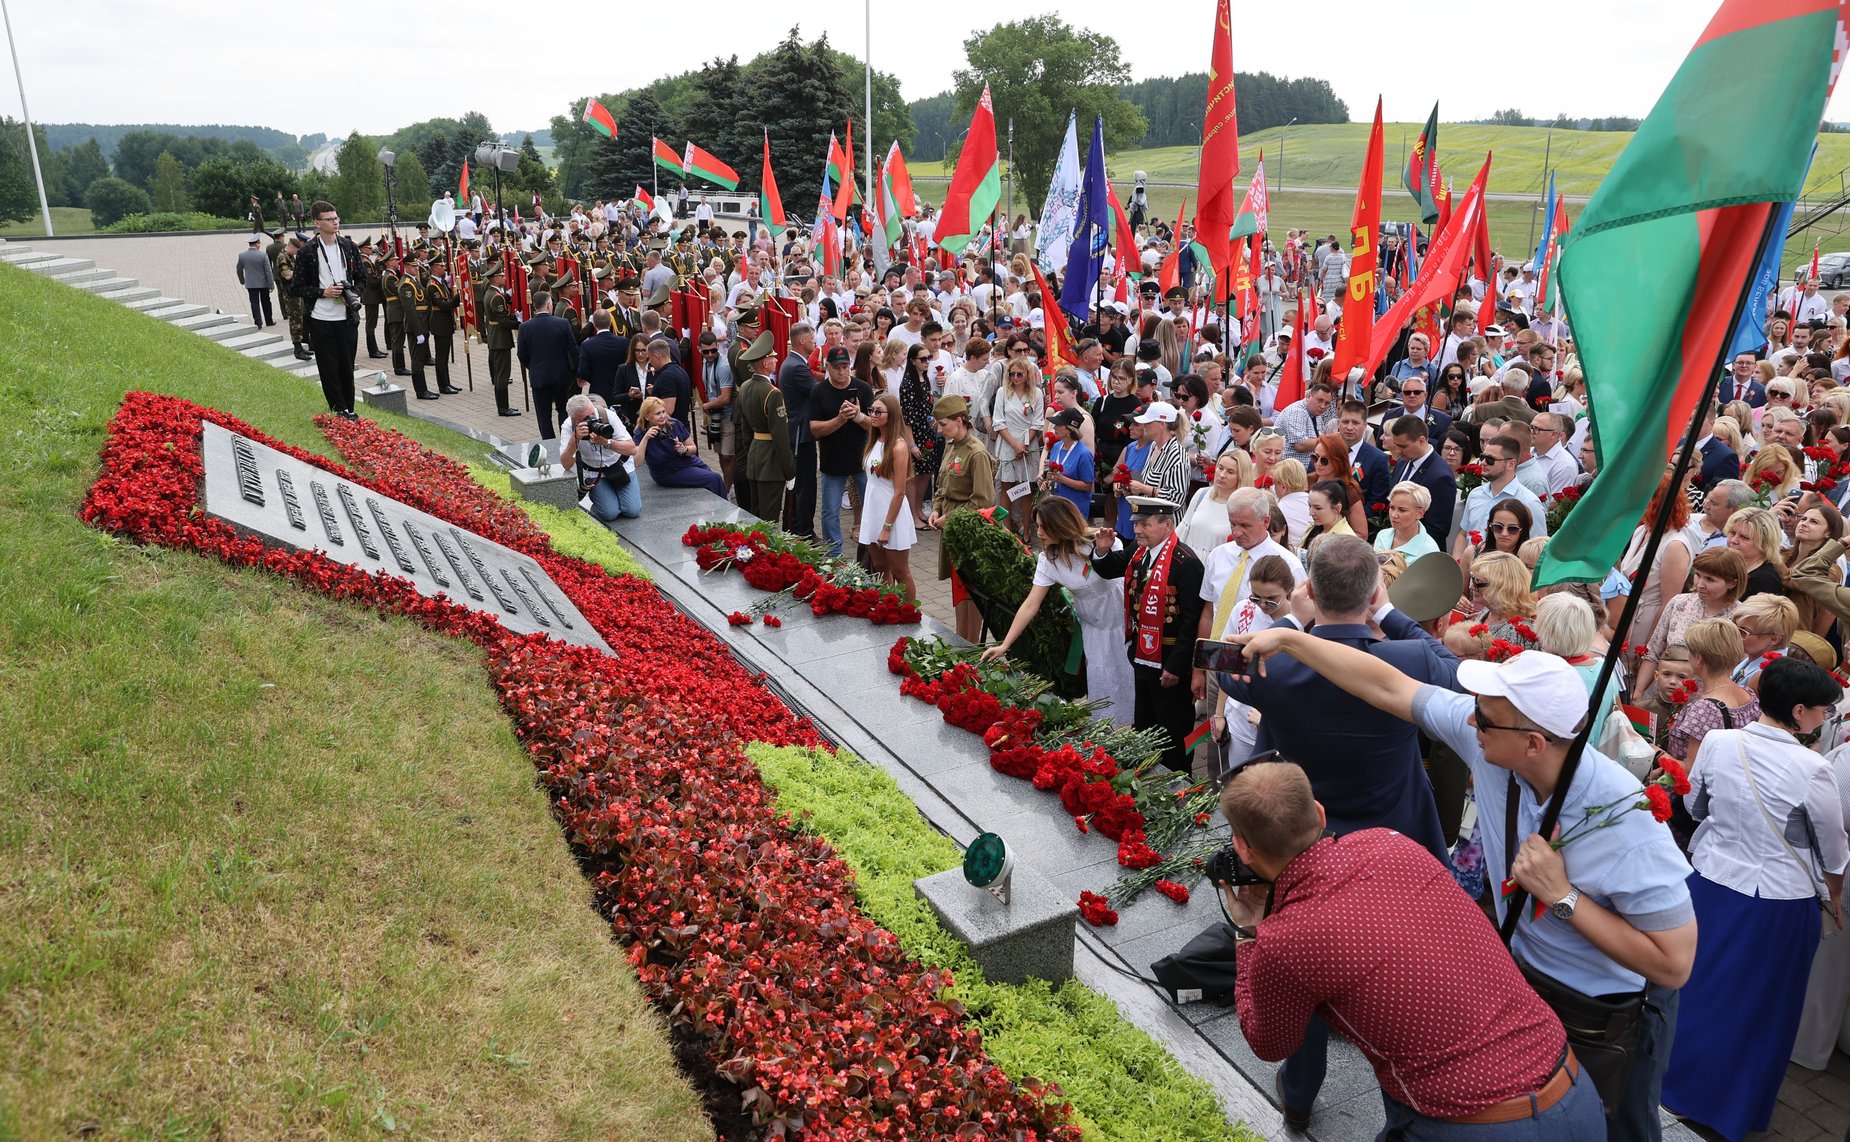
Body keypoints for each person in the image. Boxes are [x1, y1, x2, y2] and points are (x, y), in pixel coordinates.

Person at [1217, 762, 1605, 1139]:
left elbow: (1270, 1044)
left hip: (1469, 1124)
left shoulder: (1284, 941)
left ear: (1242, 849)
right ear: (1319, 813)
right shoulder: (1390, 843)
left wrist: (1249, 934)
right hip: (1573, 1088)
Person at [1664, 658, 1848, 1141]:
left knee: (1696, 991)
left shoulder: (1721, 743)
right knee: (1760, 1010)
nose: (1826, 718)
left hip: (1710, 881)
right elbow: (1832, 848)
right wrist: (1836, 892)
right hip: (1778, 902)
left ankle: (1669, 1082)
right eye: (1824, 711)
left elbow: (1693, 804)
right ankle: (1728, 1109)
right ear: (1800, 710)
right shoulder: (1814, 768)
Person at [981, 498, 1135, 724]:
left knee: (1130, 677)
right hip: (1094, 628)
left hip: (1124, 622)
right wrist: (1005, 645)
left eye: (1044, 527)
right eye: (1037, 526)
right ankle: (1109, 736)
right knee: (1103, 682)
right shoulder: (1049, 560)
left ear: (1061, 525)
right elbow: (1030, 605)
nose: (1039, 533)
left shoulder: (1101, 541)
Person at [1091, 497, 1205, 772]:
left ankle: (1178, 779)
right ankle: (1144, 774)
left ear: (1167, 524)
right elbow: (1108, 569)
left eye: (1145, 524)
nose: (1138, 530)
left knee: (1173, 729)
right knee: (1144, 723)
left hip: (1169, 660)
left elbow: (1192, 621)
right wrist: (1102, 551)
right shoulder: (1138, 551)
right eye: (1136, 524)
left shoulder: (1185, 562)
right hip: (1142, 654)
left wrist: (1177, 666)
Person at [929, 394, 999, 642]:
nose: (940, 429)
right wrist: (936, 508)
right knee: (958, 590)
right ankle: (961, 640)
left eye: (943, 424)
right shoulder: (951, 447)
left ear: (960, 421)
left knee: (970, 591)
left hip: (969, 532)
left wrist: (949, 517)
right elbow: (942, 485)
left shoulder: (976, 452)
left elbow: (983, 500)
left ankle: (969, 646)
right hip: (952, 527)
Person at [290, 201, 366, 421]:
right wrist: (323, 292)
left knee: (346, 365)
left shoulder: (348, 247)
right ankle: (339, 409)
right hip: (321, 318)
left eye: (336, 218)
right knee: (329, 367)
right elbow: (295, 287)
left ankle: (349, 409)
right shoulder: (308, 251)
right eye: (329, 219)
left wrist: (353, 294)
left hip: (347, 317)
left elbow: (362, 278)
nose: (335, 222)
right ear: (317, 223)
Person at [809, 345, 878, 557]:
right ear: (827, 367)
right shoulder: (819, 391)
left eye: (845, 366)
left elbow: (876, 425)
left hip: (863, 460)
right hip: (833, 462)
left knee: (873, 505)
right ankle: (834, 554)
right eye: (837, 367)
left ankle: (873, 549)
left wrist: (858, 416)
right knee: (830, 511)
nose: (841, 371)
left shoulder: (863, 389)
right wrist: (840, 420)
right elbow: (814, 430)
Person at [858, 392, 917, 599]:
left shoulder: (898, 446)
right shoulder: (874, 440)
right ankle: (888, 605)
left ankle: (910, 613)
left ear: (891, 415)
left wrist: (887, 527)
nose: (873, 415)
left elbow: (899, 492)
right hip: (873, 510)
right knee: (880, 565)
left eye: (878, 411)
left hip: (892, 515)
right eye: (871, 410)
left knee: (901, 572)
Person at [1454, 434, 1549, 562]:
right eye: (1482, 457)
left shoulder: (1529, 502)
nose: (1483, 463)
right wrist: (1459, 564)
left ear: (1511, 464)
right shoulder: (1475, 494)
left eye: (1490, 459)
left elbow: (1537, 551)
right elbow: (1463, 533)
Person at [733, 332, 795, 523]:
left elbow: (745, 430)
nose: (776, 360)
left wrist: (749, 456)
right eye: (772, 357)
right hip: (771, 463)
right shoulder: (772, 393)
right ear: (765, 363)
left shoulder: (745, 387)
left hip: (755, 458)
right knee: (769, 520)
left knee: (756, 516)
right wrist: (789, 471)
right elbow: (780, 437)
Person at [559, 393, 641, 522]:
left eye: (592, 414)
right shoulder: (569, 425)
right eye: (586, 418)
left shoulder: (608, 415)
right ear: (575, 419)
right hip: (595, 472)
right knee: (610, 514)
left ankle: (608, 495)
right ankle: (601, 497)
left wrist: (606, 442)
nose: (593, 419)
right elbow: (566, 464)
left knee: (632, 511)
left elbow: (632, 449)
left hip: (620, 466)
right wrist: (574, 440)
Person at [517, 290, 579, 440]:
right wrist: (578, 372)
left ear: (534, 307)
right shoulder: (562, 323)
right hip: (561, 376)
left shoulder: (525, 327)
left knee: (543, 414)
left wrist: (532, 367)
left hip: (539, 377)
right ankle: (565, 439)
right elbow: (574, 350)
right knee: (563, 410)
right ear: (550, 305)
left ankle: (549, 442)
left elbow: (521, 354)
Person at [779, 322, 821, 540]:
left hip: (799, 433)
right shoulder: (796, 366)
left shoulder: (794, 363)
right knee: (805, 486)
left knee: (801, 485)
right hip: (801, 435)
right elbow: (817, 393)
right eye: (812, 338)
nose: (814, 342)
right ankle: (802, 530)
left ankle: (796, 527)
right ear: (803, 341)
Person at [636, 395, 725, 496]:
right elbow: (637, 462)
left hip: (688, 462)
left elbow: (693, 449)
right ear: (647, 416)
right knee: (714, 478)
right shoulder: (641, 432)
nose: (663, 416)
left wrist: (684, 449)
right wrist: (646, 438)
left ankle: (715, 507)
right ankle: (722, 510)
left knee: (711, 476)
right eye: (658, 414)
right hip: (668, 471)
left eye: (663, 412)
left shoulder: (674, 424)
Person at [1042, 408, 1095, 522]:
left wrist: (1062, 479)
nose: (1054, 428)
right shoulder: (1056, 447)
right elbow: (1053, 474)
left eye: (1058, 424)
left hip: (1074, 510)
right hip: (1056, 506)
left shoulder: (1084, 454)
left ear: (1069, 429)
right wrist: (1047, 482)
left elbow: (1087, 486)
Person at [1374, 481, 1440, 560]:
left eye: (1402, 510)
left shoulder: (1429, 551)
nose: (1394, 515)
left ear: (1419, 513)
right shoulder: (1382, 535)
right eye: (1392, 507)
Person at [577, 308, 629, 408]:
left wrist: (594, 379)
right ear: (610, 323)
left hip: (598, 390)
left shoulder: (587, 345)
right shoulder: (623, 342)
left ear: (594, 325)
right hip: (620, 390)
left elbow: (583, 371)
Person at [647, 339, 694, 434]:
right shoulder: (680, 370)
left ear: (656, 356)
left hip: (672, 432)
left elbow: (668, 410)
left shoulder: (666, 376)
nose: (649, 362)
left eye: (649, 358)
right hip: (682, 427)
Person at [236, 233, 275, 328]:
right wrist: (271, 284)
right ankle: (269, 321)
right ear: (257, 243)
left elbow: (239, 269)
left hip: (251, 284)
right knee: (266, 301)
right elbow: (268, 271)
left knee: (254, 303)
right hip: (263, 283)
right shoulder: (263, 255)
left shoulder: (242, 255)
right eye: (259, 243)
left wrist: (242, 280)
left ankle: (258, 323)